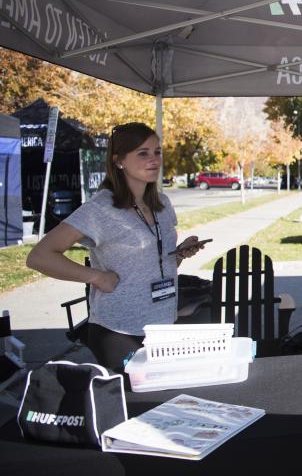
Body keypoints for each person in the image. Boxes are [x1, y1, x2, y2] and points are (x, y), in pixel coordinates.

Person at [26, 122, 206, 372]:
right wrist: (96, 277)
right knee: (134, 402)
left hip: (162, 322)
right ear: (119, 160)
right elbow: (40, 256)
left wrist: (179, 254)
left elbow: (154, 262)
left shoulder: (162, 204)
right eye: (143, 153)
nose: (154, 159)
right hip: (118, 329)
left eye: (157, 151)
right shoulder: (101, 209)